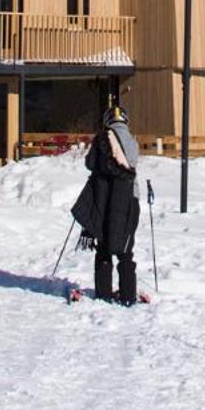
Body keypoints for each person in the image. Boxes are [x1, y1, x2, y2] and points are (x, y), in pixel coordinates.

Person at [70, 104, 141, 304]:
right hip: (129, 200)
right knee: (125, 249)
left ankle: (104, 293)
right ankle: (128, 294)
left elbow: (90, 164)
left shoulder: (102, 139)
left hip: (104, 197)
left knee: (103, 246)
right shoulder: (133, 143)